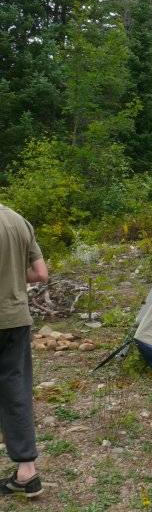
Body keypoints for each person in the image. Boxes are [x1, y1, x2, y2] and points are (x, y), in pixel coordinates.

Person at [0, 204, 48, 499]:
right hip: (15, 318)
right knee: (15, 388)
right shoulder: (18, 220)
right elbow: (41, 273)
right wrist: (15, 280)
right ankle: (27, 471)